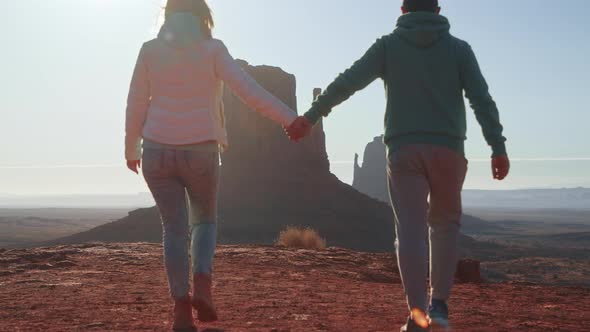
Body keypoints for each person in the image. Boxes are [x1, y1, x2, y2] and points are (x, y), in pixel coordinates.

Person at [286, 0, 510, 330]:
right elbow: (481, 99)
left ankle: (417, 315)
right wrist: (497, 146)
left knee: (410, 231)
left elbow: (348, 82)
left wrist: (311, 116)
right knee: (445, 226)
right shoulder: (459, 50)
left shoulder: (389, 46)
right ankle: (439, 309)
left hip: (404, 150)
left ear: (403, 10)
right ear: (438, 10)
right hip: (449, 150)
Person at [124, 0, 297, 330]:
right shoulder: (213, 49)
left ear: (168, 15)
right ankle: (202, 285)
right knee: (203, 221)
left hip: (157, 152)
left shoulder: (149, 50)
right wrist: (289, 119)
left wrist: (131, 147)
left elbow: (135, 101)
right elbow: (249, 91)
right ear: (204, 15)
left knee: (173, 229)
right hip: (200, 152)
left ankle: (180, 311)